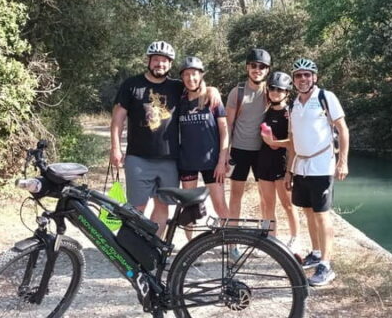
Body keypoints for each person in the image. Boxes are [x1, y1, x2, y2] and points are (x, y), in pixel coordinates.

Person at [110, 41, 221, 237]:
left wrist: (213, 90)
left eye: (164, 61)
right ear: (149, 61)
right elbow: (118, 117)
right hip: (138, 158)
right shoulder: (131, 85)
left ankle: (154, 248)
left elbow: (197, 86)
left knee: (163, 206)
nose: (160, 64)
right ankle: (131, 249)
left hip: (170, 159)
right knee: (137, 207)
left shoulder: (177, 87)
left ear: (170, 65)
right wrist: (115, 148)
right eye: (156, 60)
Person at [284, 58, 349, 287]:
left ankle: (326, 265)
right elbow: (293, 140)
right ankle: (315, 252)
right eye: (299, 75)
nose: (303, 79)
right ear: (293, 80)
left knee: (322, 214)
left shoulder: (325, 97)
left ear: (315, 77)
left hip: (322, 165)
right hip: (301, 166)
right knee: (309, 211)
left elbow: (342, 129)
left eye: (307, 75)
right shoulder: (293, 105)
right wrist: (289, 171)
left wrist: (343, 161)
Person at [177, 56, 230, 238]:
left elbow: (224, 131)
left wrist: (222, 161)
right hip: (187, 161)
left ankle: (231, 245)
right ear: (182, 77)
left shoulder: (211, 97)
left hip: (212, 162)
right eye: (186, 75)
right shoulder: (180, 99)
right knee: (189, 206)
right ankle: (190, 246)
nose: (190, 78)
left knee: (220, 204)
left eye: (194, 74)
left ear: (201, 75)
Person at [226, 48, 272, 220]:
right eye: (253, 65)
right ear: (247, 67)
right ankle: (232, 242)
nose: (257, 69)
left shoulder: (271, 92)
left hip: (263, 152)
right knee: (236, 196)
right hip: (239, 150)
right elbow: (228, 125)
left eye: (262, 66)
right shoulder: (237, 92)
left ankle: (266, 236)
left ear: (267, 70)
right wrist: (225, 153)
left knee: (266, 197)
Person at [257, 71, 300, 251]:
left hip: (283, 163)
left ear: (287, 92)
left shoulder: (290, 113)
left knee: (288, 204)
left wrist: (275, 143)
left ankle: (295, 237)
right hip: (264, 161)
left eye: (279, 90)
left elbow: (295, 142)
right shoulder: (264, 110)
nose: (275, 92)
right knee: (267, 203)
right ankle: (270, 239)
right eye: (272, 88)